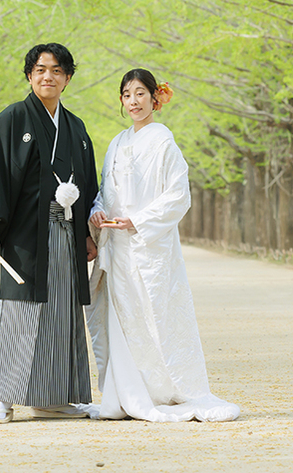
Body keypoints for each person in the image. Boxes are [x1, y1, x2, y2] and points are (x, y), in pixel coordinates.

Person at [87, 69, 240, 422]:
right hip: (119, 247)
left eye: (140, 93)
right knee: (124, 317)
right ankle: (129, 392)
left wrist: (138, 220)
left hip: (150, 246)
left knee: (156, 314)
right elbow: (105, 191)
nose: (134, 101)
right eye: (127, 95)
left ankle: (165, 390)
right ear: (122, 101)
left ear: (155, 98)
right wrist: (98, 212)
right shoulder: (117, 143)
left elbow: (178, 196)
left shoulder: (164, 142)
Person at [0, 43, 100, 424]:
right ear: (29, 76)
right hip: (25, 234)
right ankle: (3, 399)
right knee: (21, 312)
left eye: (56, 71)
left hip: (66, 232)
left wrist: (86, 234)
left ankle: (54, 399)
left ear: (67, 78)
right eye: (40, 70)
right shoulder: (12, 120)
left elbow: (86, 182)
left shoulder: (76, 128)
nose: (48, 77)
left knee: (62, 312)